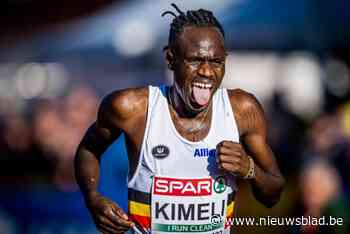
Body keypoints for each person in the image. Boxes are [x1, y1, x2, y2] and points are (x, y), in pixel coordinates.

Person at [74, 4, 285, 234]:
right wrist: (92, 198)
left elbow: (273, 194)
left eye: (216, 62)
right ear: (170, 58)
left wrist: (248, 168)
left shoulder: (242, 111)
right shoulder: (132, 109)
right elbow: (88, 150)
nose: (206, 71)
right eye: (195, 60)